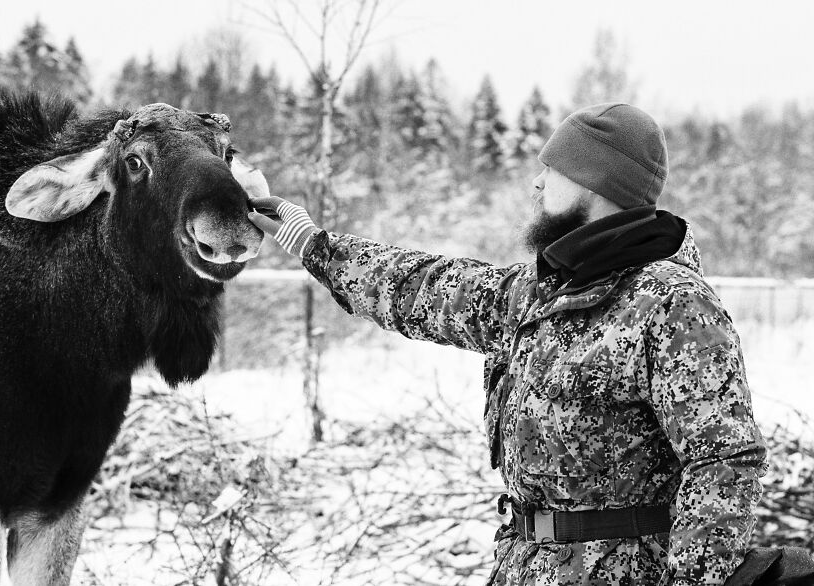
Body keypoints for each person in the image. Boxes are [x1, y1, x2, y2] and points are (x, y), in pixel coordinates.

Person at [248, 103, 767, 585]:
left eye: (554, 169)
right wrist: (312, 243)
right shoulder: (541, 292)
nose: (537, 183)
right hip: (522, 565)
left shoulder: (670, 304)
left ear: (597, 181)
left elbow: (723, 462)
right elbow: (425, 289)